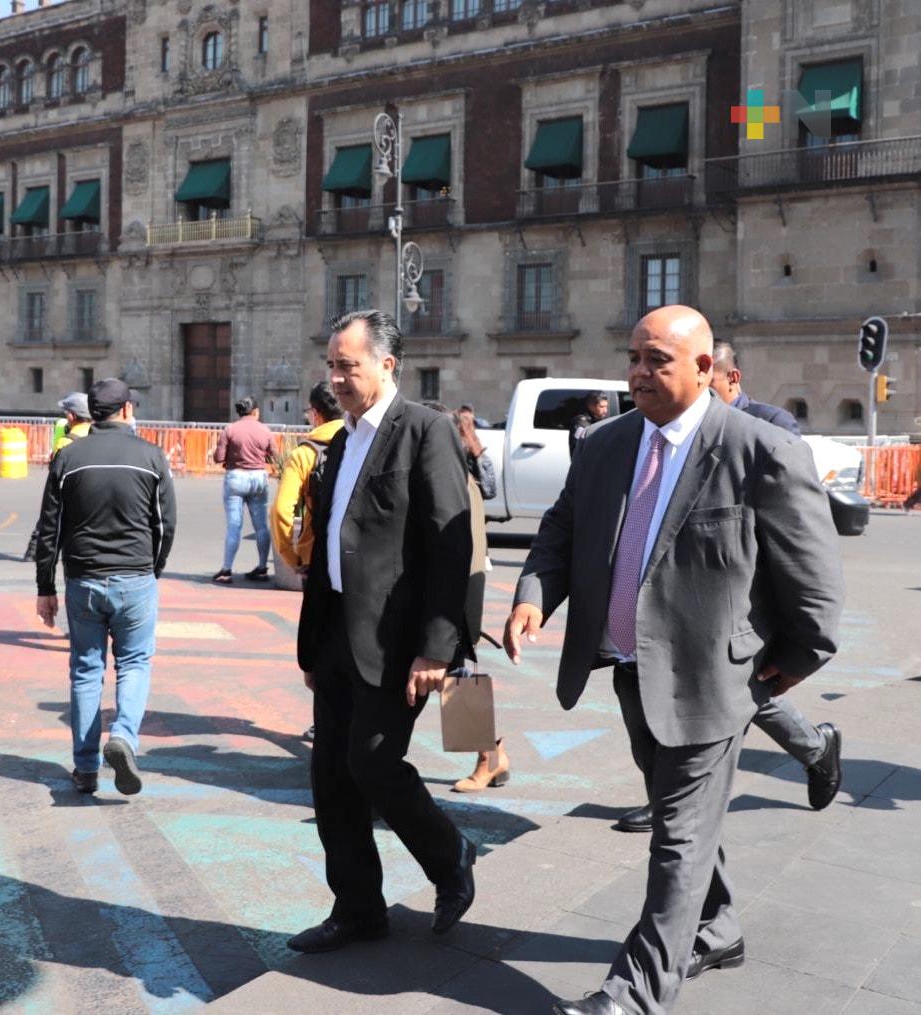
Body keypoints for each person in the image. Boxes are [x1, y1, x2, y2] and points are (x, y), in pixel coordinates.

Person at [503, 305, 844, 1015]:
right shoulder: (603, 444)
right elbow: (560, 529)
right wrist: (534, 594)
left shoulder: (759, 451)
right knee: (672, 813)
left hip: (716, 676)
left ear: (704, 369)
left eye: (656, 360)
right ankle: (716, 927)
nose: (637, 373)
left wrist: (790, 662)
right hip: (629, 665)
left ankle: (633, 994)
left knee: (678, 839)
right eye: (632, 357)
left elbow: (813, 578)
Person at [287, 309, 475, 955]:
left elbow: (450, 545)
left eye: (348, 365)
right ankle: (358, 908)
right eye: (331, 365)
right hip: (337, 631)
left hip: (398, 644)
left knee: (371, 762)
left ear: (386, 364)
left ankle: (450, 857)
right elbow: (331, 544)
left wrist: (437, 646)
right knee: (330, 778)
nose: (335, 377)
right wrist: (315, 642)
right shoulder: (339, 439)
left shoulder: (425, 430)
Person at [614, 341, 840, 834]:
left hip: (741, 607)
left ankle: (816, 749)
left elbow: (795, 534)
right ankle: (670, 803)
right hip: (681, 599)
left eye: (710, 388)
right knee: (677, 704)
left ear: (727, 379)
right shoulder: (661, 429)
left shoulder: (769, 428)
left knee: (750, 694)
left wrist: (799, 636)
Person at [34, 378, 176, 797]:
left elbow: (49, 529)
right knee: (133, 664)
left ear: (89, 412)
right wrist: (154, 568)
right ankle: (124, 738)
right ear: (128, 410)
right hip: (135, 577)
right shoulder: (151, 457)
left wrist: (45, 586)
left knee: (85, 669)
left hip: (83, 579)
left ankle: (85, 768)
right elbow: (166, 524)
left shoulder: (68, 458)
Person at [449, 407, 510, 794]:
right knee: (455, 672)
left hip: (461, 584)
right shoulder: (461, 470)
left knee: (457, 671)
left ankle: (489, 755)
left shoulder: (461, 474)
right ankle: (491, 754)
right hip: (459, 582)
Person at [270, 382, 344, 577]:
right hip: (353, 555)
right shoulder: (360, 445)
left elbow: (280, 510)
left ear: (316, 413)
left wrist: (291, 556)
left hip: (314, 554)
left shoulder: (304, 454)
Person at [212, 395, 280, 584]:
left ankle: (226, 570)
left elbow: (218, 457)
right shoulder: (264, 430)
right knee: (261, 526)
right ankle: (262, 567)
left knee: (234, 526)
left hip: (236, 477)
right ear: (256, 411)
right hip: (258, 477)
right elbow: (275, 456)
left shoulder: (230, 429)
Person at [22, 393, 93, 563]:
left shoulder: (66, 442)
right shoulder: (98, 436)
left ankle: (34, 552)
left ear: (71, 415)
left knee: (48, 519)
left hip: (67, 489)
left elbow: (56, 473)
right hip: (92, 492)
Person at [568, 391, 611, 456]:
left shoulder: (596, 419)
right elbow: (578, 450)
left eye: (606, 407)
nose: (605, 411)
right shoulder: (582, 424)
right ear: (590, 406)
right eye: (601, 407)